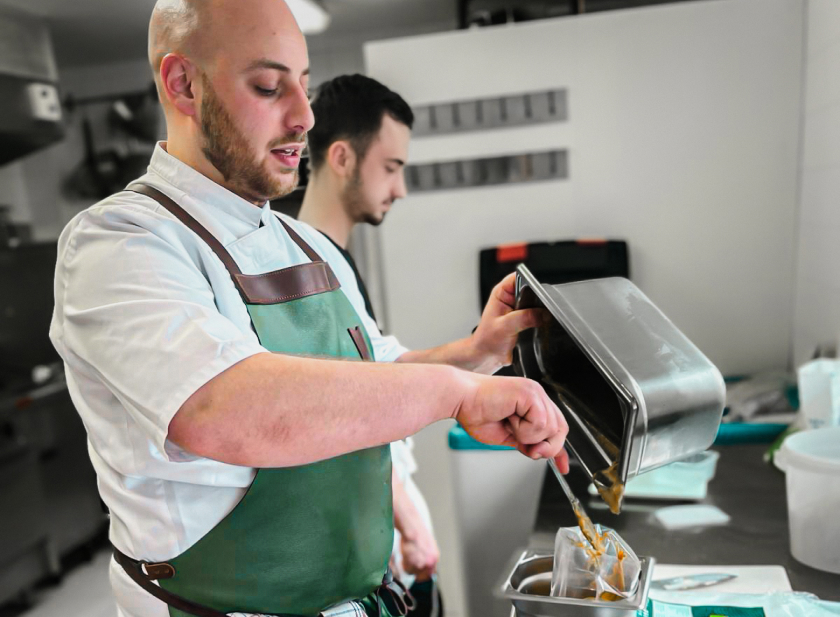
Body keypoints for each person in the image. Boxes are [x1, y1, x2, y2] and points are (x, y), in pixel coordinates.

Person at [48, 2, 570, 616]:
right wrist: (454, 393)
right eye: (269, 87)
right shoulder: (119, 242)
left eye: (304, 84)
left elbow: (371, 366)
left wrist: (475, 354)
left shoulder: (308, 245)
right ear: (183, 84)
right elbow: (223, 408)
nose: (304, 116)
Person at [297, 74, 436, 616]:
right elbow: (344, 416)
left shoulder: (337, 263)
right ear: (342, 157)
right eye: (392, 168)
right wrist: (410, 520)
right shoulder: (310, 275)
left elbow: (381, 375)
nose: (398, 189)